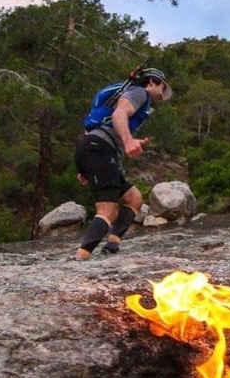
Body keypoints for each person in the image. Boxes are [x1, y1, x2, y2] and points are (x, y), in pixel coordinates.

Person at [73, 67, 173, 260]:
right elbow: (120, 114)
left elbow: (96, 127)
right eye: (162, 87)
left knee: (133, 198)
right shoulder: (139, 92)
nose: (162, 94)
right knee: (107, 211)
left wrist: (86, 166)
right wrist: (128, 141)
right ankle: (80, 258)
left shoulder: (130, 92)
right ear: (151, 82)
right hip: (100, 150)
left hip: (93, 148)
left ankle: (111, 247)